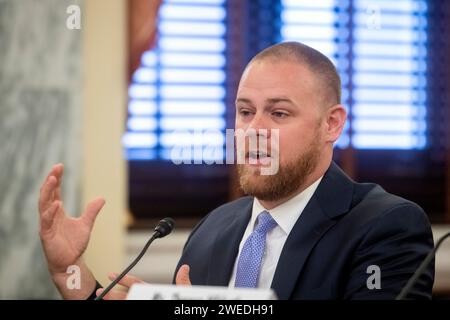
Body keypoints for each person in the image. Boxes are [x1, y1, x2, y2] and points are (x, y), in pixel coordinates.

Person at [38, 42, 434, 300]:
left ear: (331, 124)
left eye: (278, 113)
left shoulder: (386, 226)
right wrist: (69, 269)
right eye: (245, 112)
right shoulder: (214, 228)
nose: (253, 131)